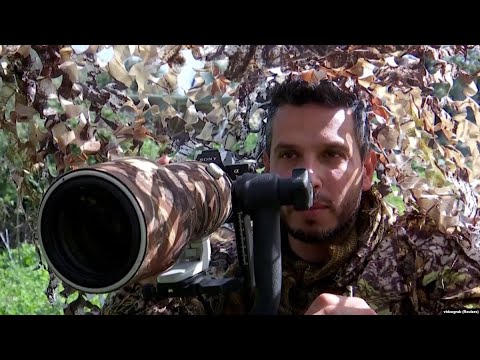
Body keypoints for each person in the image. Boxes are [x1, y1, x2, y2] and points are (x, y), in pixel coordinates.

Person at [101, 78, 480, 315]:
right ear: (266, 166)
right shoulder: (225, 260)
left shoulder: (428, 260)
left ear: (366, 171)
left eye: (331, 155)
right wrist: (150, 243)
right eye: (289, 155)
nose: (307, 179)